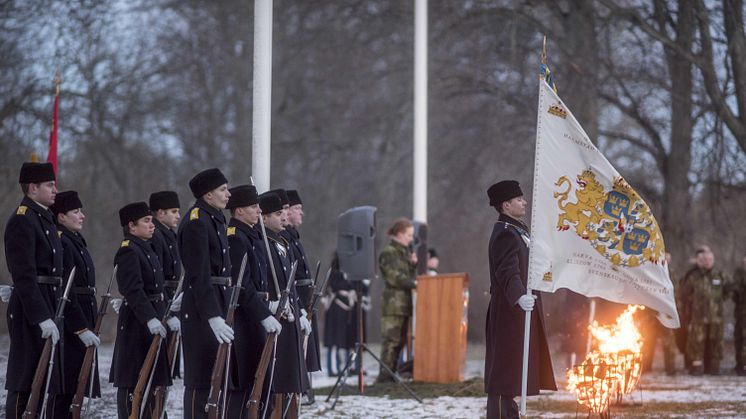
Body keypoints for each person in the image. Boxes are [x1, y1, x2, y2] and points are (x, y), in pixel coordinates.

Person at [4, 162, 98, 418]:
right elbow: (24, 274)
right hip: (31, 308)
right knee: (26, 380)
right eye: (49, 185)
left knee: (44, 379)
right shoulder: (23, 219)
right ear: (33, 187)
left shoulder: (41, 218)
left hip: (49, 302)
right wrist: (41, 316)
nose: (55, 189)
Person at [485, 180, 556, 419]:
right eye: (519, 199)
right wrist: (518, 297)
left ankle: (509, 413)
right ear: (506, 205)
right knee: (504, 370)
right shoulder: (505, 233)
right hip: (509, 309)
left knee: (512, 369)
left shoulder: (517, 229)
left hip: (519, 307)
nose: (524, 202)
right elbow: (507, 271)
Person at [177, 168, 234, 419]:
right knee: (200, 380)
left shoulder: (214, 218)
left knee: (217, 374)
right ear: (208, 195)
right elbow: (199, 274)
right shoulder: (197, 221)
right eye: (223, 190)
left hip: (218, 300)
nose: (228, 194)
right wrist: (212, 315)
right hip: (202, 307)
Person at [110, 202, 175, 418]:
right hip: (137, 325)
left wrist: (166, 312)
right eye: (146, 221)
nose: (152, 225)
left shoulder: (145, 248)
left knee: (154, 382)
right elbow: (133, 290)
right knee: (134, 381)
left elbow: (157, 289)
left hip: (154, 317)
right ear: (131, 225)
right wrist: (150, 319)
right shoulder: (129, 250)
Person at [224, 185, 282, 418]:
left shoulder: (251, 234)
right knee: (247, 382)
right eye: (253, 206)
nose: (259, 211)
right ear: (238, 210)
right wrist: (264, 314)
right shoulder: (236, 237)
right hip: (245, 319)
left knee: (263, 380)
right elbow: (243, 285)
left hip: (255, 314)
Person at [51, 191, 103, 410]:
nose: (82, 215)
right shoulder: (63, 241)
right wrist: (80, 328)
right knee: (66, 386)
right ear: (61, 216)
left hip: (84, 310)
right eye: (76, 211)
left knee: (77, 389)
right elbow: (66, 290)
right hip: (71, 320)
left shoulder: (74, 240)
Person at [259, 191, 310, 416]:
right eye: (278, 213)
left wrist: (299, 313)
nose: (284, 217)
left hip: (288, 314)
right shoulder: (264, 243)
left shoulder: (281, 242)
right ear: (264, 217)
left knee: (289, 377)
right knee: (276, 378)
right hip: (272, 315)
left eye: (284, 212)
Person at [282, 189, 321, 404]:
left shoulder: (294, 237)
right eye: (297, 209)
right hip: (296, 297)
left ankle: (304, 388)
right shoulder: (284, 238)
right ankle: (299, 389)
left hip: (304, 296)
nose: (300, 214)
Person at [375, 218, 417, 384]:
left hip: (404, 304)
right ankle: (384, 377)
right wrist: (416, 283)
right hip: (393, 305)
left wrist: (413, 265)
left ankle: (391, 374)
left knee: (399, 342)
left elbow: (407, 275)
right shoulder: (389, 253)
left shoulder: (403, 253)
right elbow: (395, 278)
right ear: (399, 234)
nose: (411, 239)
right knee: (391, 342)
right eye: (408, 235)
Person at [149, 190, 183, 379]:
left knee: (167, 368)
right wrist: (167, 312)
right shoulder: (155, 235)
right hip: (162, 301)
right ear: (160, 213)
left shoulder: (169, 234)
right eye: (174, 211)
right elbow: (157, 277)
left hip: (172, 296)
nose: (178, 215)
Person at [680, 246, 727, 375]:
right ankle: (696, 368)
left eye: (710, 259)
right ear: (700, 260)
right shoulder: (694, 276)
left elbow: (727, 292)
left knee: (715, 342)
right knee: (696, 343)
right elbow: (684, 294)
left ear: (713, 260)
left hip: (716, 317)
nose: (707, 261)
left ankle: (713, 369)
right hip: (698, 317)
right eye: (705, 259)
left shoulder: (720, 275)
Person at [323, 252, 357, 376]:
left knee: (347, 340)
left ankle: (348, 367)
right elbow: (335, 286)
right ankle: (333, 369)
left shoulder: (348, 273)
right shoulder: (335, 272)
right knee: (334, 340)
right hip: (335, 309)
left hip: (346, 310)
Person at [729, 255, 746, 375]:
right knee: (739, 339)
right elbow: (734, 294)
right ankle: (740, 364)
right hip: (740, 314)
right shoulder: (738, 274)